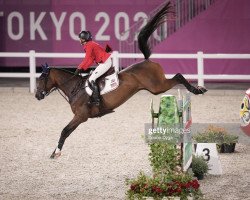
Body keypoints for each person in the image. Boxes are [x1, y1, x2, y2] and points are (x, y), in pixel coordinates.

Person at [75, 31, 112, 106]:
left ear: (84, 39)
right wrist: (83, 68)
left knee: (91, 79)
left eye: (80, 38)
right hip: (103, 63)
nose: (79, 40)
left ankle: (96, 100)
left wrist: (79, 68)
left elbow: (86, 58)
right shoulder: (90, 45)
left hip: (105, 63)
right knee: (92, 77)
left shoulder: (89, 45)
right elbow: (91, 59)